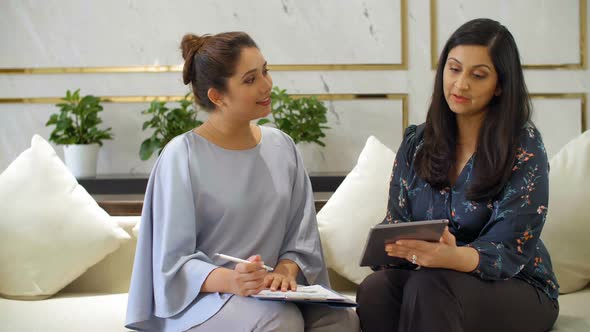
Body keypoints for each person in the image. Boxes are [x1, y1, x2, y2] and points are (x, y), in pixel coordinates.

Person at [125, 32, 359, 332]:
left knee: (340, 321)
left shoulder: (282, 146)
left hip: (271, 293)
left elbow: (302, 238)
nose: (266, 85)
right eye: (250, 79)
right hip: (203, 300)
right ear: (217, 96)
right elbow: (173, 263)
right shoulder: (181, 157)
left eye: (265, 71)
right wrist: (233, 281)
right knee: (281, 322)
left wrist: (285, 272)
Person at [356, 18, 559, 332]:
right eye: (454, 69)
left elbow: (511, 249)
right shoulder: (416, 143)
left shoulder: (524, 145)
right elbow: (397, 221)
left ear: (500, 85)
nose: (460, 84)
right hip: (432, 278)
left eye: (478, 75)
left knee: (432, 287)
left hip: (517, 284)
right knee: (376, 290)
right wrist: (398, 246)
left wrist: (452, 256)